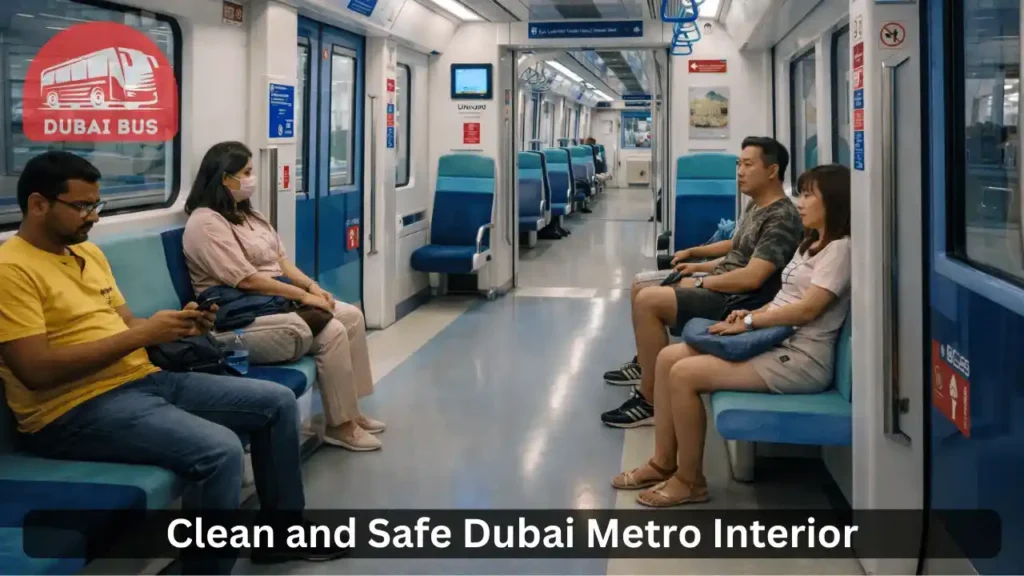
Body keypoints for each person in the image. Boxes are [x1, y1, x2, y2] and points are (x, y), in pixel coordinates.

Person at [0, 151, 344, 571]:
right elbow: (35, 370)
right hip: (71, 410)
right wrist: (142, 335)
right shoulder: (11, 270)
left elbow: (127, 323)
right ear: (38, 204)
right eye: (82, 207)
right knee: (220, 451)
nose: (93, 216)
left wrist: (179, 325)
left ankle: (282, 534)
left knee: (276, 402)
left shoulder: (87, 254)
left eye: (96, 205)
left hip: (141, 380)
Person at [610, 163, 852, 507]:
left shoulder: (840, 250)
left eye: (809, 195)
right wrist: (750, 315)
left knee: (684, 374)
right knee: (666, 359)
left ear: (834, 202)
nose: (799, 202)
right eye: (799, 194)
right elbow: (786, 300)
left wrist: (751, 321)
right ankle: (662, 462)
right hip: (775, 338)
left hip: (800, 359)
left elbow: (806, 311)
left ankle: (689, 481)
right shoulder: (809, 244)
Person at [182, 141, 384, 452]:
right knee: (331, 331)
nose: (252, 179)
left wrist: (312, 287)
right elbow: (247, 281)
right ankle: (340, 426)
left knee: (352, 317)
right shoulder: (205, 223)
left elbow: (281, 262)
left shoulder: (250, 215)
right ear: (225, 178)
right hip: (234, 316)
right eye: (246, 172)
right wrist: (302, 297)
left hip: (270, 302)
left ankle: (350, 412)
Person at [601, 137, 803, 428]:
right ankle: (644, 365)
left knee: (648, 299)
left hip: (739, 301)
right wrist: (696, 259)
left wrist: (700, 283)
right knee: (639, 285)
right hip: (723, 285)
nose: (740, 172)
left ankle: (650, 401)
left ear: (772, 171)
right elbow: (736, 248)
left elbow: (752, 277)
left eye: (748, 165)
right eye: (739, 164)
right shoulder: (756, 206)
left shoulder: (782, 217)